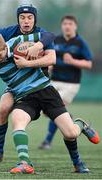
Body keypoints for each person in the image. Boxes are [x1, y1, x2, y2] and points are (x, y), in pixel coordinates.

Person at [0, 5, 96, 173]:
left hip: (45, 90)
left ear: (5, 45)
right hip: (24, 97)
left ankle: (79, 137)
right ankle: (24, 162)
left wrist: (36, 48)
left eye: (1, 55)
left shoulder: (19, 42)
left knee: (71, 133)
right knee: (17, 119)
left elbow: (49, 36)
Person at [39, 15, 93, 150]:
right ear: (62, 26)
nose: (67, 26)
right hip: (54, 80)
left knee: (55, 108)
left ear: (75, 26)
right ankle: (78, 123)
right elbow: (48, 56)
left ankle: (47, 141)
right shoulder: (56, 40)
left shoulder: (80, 43)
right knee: (47, 111)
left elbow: (89, 63)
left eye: (70, 23)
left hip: (71, 84)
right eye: (65, 24)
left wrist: (73, 61)